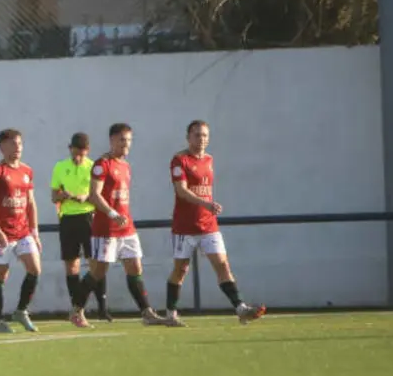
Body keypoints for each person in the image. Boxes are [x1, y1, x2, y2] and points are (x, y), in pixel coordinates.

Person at [164, 120, 266, 326]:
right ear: (188, 137)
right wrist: (206, 203)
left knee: (222, 264)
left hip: (208, 225)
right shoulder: (179, 160)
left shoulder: (209, 159)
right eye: (197, 135)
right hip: (185, 227)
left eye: (204, 136)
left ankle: (240, 308)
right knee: (181, 270)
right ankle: (171, 312)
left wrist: (208, 208)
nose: (201, 139)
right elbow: (181, 190)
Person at [86, 123, 167, 326]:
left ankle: (147, 312)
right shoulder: (102, 164)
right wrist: (112, 213)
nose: (126, 144)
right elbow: (94, 195)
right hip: (107, 227)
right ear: (112, 140)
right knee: (99, 271)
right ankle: (77, 309)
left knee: (135, 266)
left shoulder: (126, 166)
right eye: (122, 139)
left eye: (129, 140)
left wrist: (121, 215)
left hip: (126, 227)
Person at [0, 129, 42, 333]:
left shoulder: (26, 171)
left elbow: (31, 203)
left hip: (23, 231)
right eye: (13, 144)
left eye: (20, 144)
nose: (18, 148)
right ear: (2, 147)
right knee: (1, 275)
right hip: (3, 234)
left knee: (35, 269)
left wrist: (34, 231)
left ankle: (21, 310)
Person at [51, 131, 106, 327]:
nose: (77, 157)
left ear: (87, 151)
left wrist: (85, 197)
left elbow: (98, 195)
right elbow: (53, 195)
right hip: (68, 219)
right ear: (69, 149)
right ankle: (77, 309)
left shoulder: (94, 167)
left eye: (81, 153)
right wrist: (63, 195)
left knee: (96, 265)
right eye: (74, 152)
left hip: (88, 217)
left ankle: (102, 307)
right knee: (71, 265)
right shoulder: (60, 167)